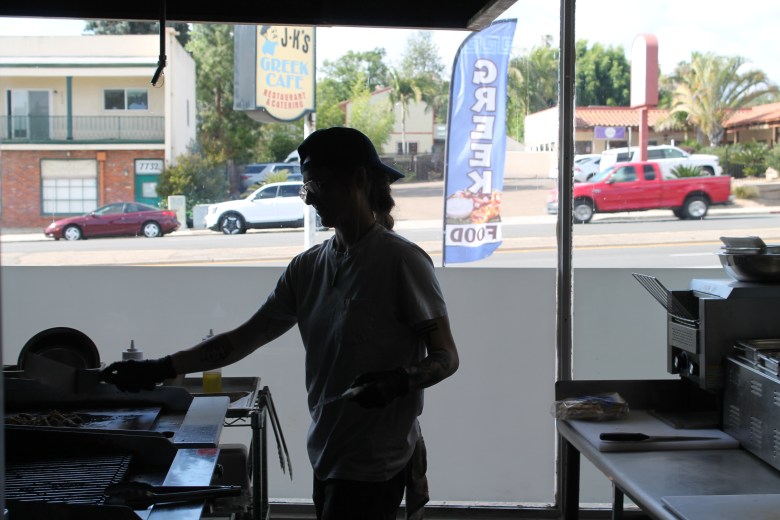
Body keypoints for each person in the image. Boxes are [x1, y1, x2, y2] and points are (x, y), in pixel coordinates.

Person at [104, 126, 460, 520]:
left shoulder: (401, 262)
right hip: (327, 450)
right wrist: (160, 368)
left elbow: (446, 357)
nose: (312, 200)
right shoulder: (308, 267)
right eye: (308, 189)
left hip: (379, 460)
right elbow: (243, 339)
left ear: (359, 180)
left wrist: (398, 381)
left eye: (321, 185)